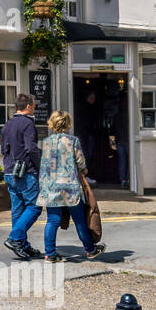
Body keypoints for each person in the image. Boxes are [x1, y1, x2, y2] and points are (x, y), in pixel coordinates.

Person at [38, 110, 106, 263]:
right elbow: (80, 162)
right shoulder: (73, 141)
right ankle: (90, 250)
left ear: (52, 123)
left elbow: (44, 166)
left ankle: (50, 254)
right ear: (67, 124)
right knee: (79, 220)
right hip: (70, 188)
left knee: (52, 221)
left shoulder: (46, 142)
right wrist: (83, 170)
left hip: (51, 187)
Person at [1, 93, 44, 260]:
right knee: (35, 206)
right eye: (33, 105)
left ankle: (22, 244)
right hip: (26, 172)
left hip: (9, 171)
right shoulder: (28, 124)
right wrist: (40, 167)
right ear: (28, 106)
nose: (35, 108)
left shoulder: (8, 124)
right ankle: (15, 238)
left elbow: (4, 148)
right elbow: (30, 148)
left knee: (18, 209)